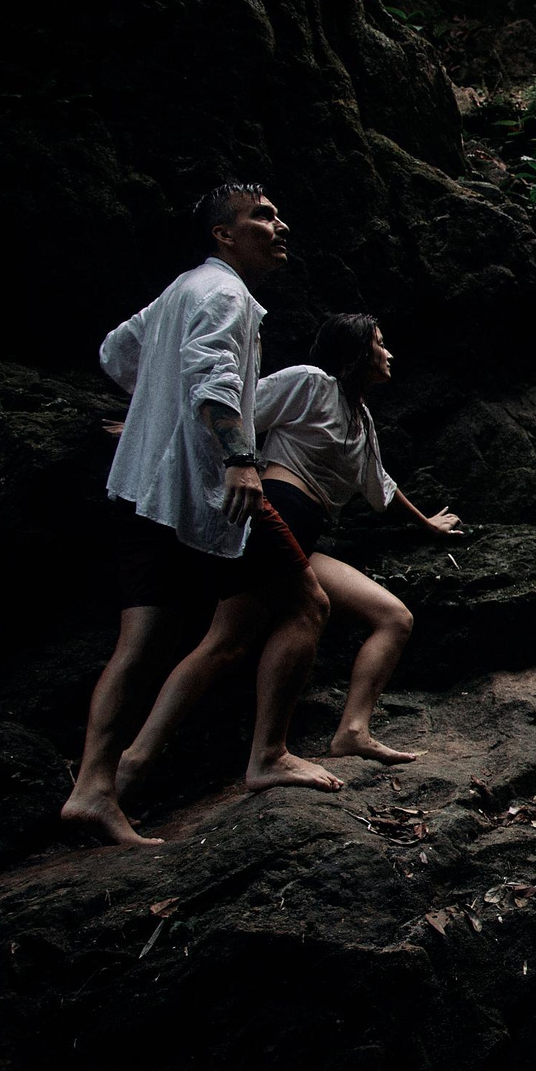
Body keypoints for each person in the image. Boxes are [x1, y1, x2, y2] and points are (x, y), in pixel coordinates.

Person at [60, 183, 337, 847]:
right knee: (307, 604)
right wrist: (240, 458)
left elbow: (117, 354)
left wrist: (157, 405)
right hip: (205, 485)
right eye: (263, 216)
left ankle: (92, 789)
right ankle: (267, 756)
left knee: (138, 645)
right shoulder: (226, 295)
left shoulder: (181, 289)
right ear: (224, 233)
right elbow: (214, 373)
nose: (280, 224)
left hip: (137, 485)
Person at [253, 313, 464, 763]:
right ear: (355, 351)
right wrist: (157, 431)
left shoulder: (361, 418)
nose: (388, 353)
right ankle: (260, 756)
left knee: (394, 617)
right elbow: (234, 414)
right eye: (380, 343)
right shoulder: (309, 383)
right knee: (229, 641)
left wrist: (426, 524)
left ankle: (352, 732)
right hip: (274, 514)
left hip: (304, 536)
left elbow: (379, 486)